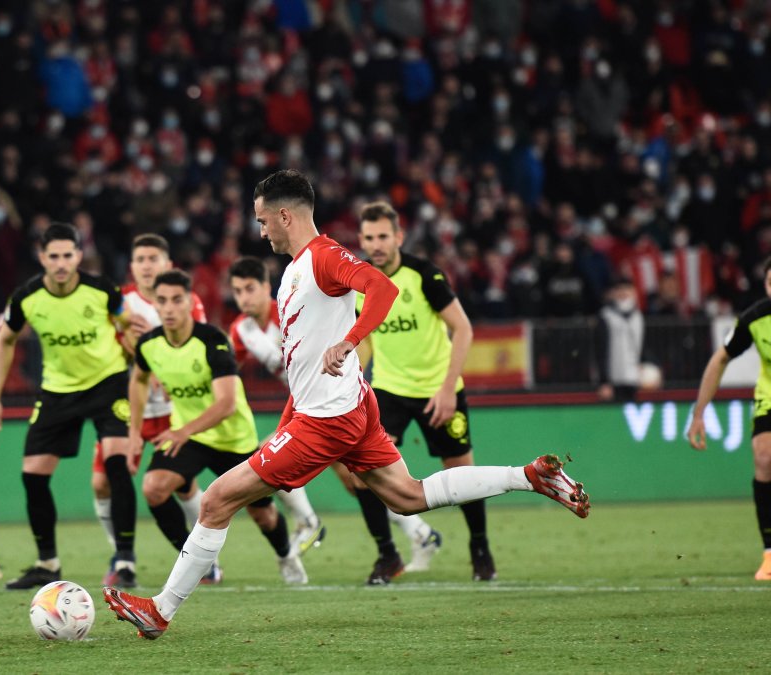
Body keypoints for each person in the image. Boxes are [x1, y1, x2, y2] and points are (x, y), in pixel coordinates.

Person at [104, 169, 590, 639]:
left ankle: (161, 610)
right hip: (343, 406)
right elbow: (303, 358)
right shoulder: (298, 268)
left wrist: (351, 341)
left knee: (215, 500)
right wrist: (291, 414)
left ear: (285, 217)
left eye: (262, 219)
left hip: (329, 418)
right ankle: (527, 476)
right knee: (408, 495)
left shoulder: (323, 257)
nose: (260, 229)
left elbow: (383, 288)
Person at [0, 222, 147, 590]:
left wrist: (133, 345)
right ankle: (48, 563)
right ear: (42, 258)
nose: (60, 263)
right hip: (57, 390)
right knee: (33, 476)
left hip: (108, 383)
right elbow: (4, 341)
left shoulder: (102, 290)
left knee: (116, 464)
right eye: (53, 256)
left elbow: (125, 322)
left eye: (67, 255)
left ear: (78, 255)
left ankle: (125, 560)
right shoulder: (26, 298)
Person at [131, 269, 306, 584]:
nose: (169, 308)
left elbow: (226, 404)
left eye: (176, 300)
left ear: (189, 302)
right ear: (154, 305)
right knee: (154, 488)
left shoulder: (213, 342)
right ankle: (197, 563)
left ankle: (285, 556)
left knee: (262, 515)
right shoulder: (148, 345)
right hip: (192, 438)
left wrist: (182, 431)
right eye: (162, 301)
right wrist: (133, 433)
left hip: (233, 439)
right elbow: (139, 378)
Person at [356, 202, 487, 583]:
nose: (376, 244)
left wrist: (448, 390)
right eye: (369, 238)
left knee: (463, 475)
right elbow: (366, 340)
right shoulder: (360, 280)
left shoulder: (424, 275)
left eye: (383, 236)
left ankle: (480, 547)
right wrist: (350, 373)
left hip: (438, 390)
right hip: (390, 390)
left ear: (398, 237)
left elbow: (463, 329)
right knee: (364, 468)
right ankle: (387, 555)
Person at [92, 234, 211, 586]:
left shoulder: (186, 303)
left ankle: (203, 558)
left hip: (172, 411)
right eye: (140, 259)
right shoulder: (120, 303)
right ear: (132, 266)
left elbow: (196, 346)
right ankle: (121, 554)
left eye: (153, 258)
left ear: (168, 265)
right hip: (128, 410)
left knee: (183, 486)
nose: (146, 265)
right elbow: (111, 348)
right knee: (102, 483)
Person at [227, 256, 327, 555]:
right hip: (306, 401)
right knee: (358, 479)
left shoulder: (288, 314)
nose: (244, 297)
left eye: (249, 288)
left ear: (266, 287)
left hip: (327, 394)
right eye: (237, 291)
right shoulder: (242, 330)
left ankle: (308, 521)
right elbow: (228, 370)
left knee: (269, 455)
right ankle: (421, 534)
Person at [687, 259, 771, 581]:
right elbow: (720, 359)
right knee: (764, 458)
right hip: (769, 396)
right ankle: (769, 554)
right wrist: (698, 413)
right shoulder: (754, 318)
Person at [596, 279, 643, 402]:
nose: (623, 293)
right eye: (619, 289)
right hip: (614, 379)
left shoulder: (638, 316)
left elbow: (643, 345)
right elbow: (601, 350)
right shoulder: (606, 316)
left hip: (634, 377)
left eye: (627, 289)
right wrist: (604, 381)